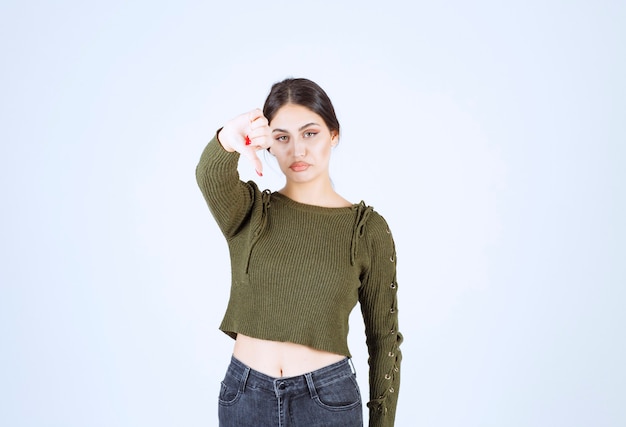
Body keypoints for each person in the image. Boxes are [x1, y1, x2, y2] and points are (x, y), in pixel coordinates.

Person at [196, 77, 402, 427]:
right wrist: (228, 136)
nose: (297, 150)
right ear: (269, 146)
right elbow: (210, 175)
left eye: (310, 133)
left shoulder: (366, 230)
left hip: (327, 401)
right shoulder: (250, 212)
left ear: (333, 135)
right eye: (282, 138)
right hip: (245, 396)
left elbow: (384, 340)